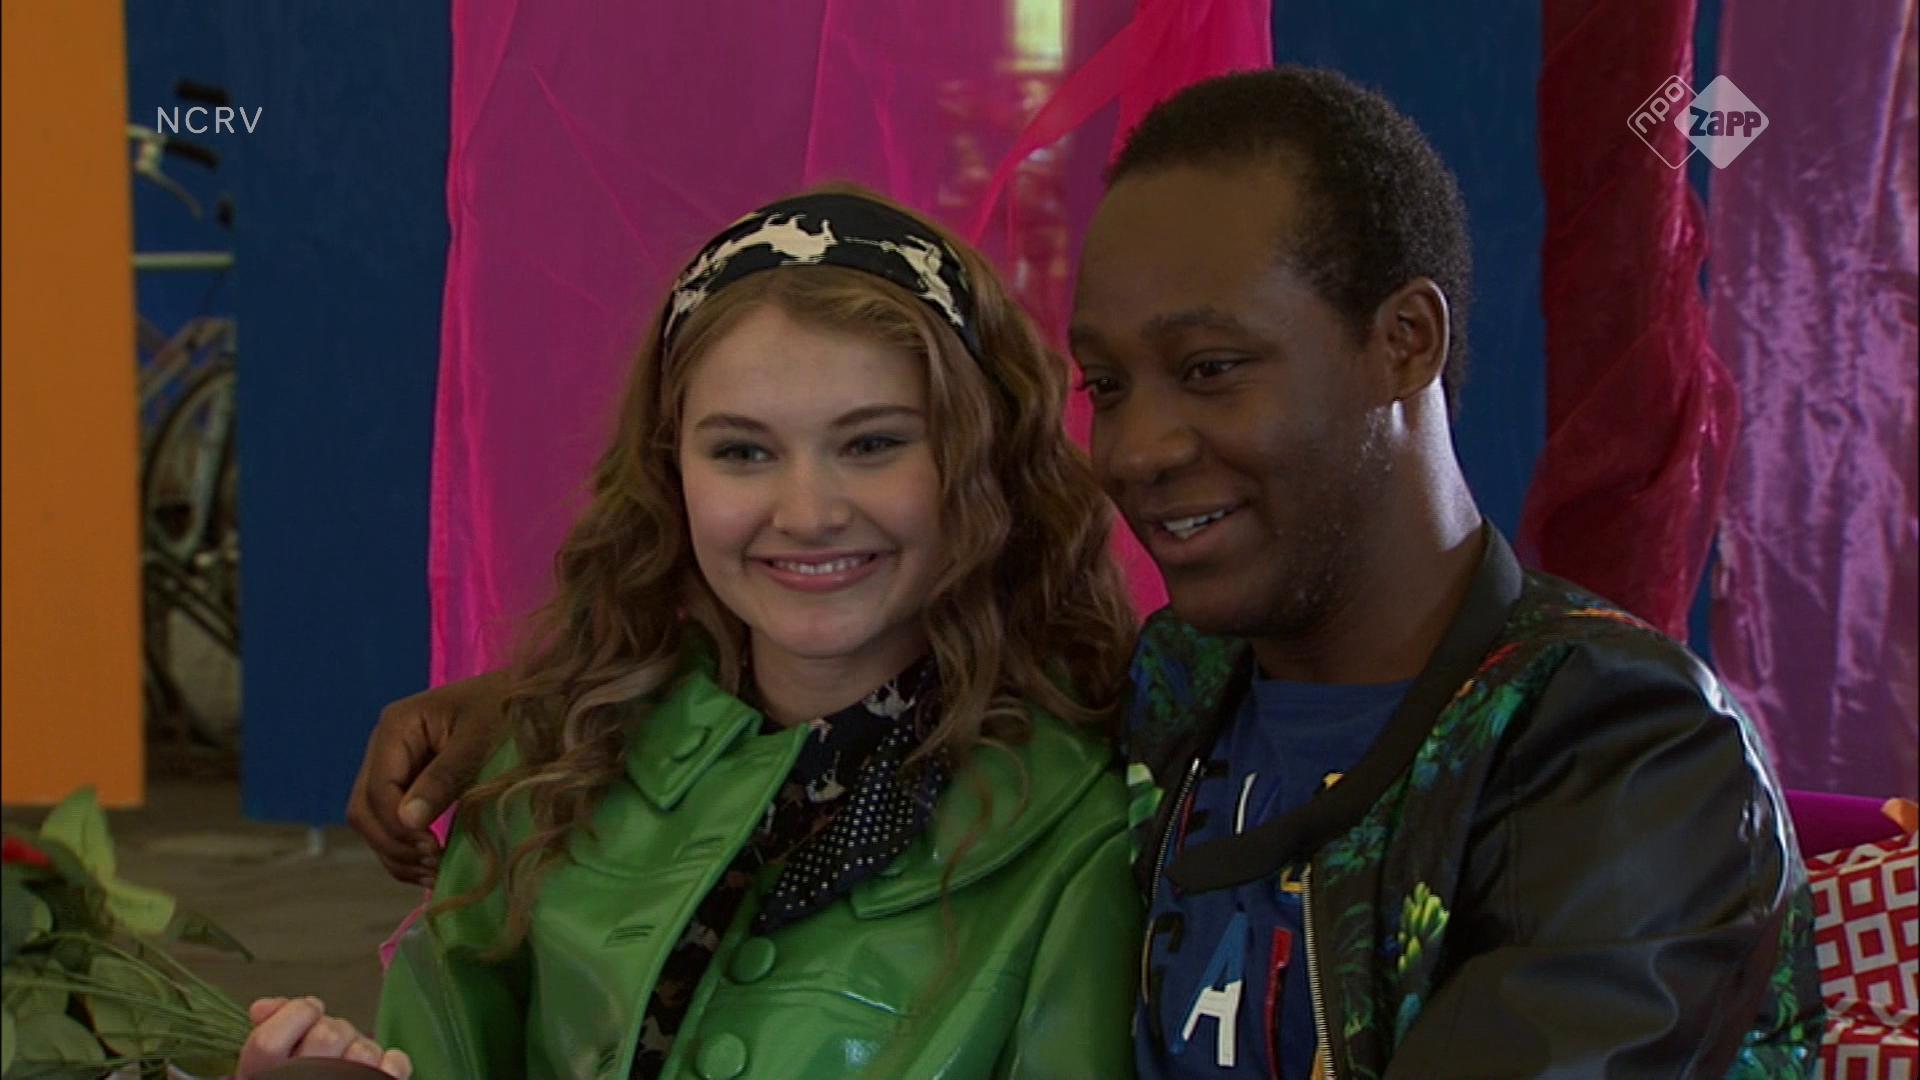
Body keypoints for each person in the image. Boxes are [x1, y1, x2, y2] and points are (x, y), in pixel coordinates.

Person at [349, 68, 1822, 1077]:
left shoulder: (1618, 748)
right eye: (1109, 386)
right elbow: (869, 691)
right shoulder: (1184, 694)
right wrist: (538, 711)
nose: (1143, 448)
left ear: (1406, 343)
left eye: (1213, 367)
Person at [240, 186, 1143, 1079]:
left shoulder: (1084, 828)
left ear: (980, 455)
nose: (807, 514)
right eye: (742, 451)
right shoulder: (552, 767)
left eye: (872, 443)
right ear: (669, 472)